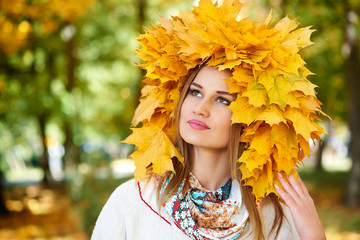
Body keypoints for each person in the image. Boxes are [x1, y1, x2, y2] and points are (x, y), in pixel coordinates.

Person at [92, 0, 327, 239]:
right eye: (195, 92)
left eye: (222, 100)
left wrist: (314, 235)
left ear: (252, 121)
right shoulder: (132, 204)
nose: (201, 109)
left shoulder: (275, 216)